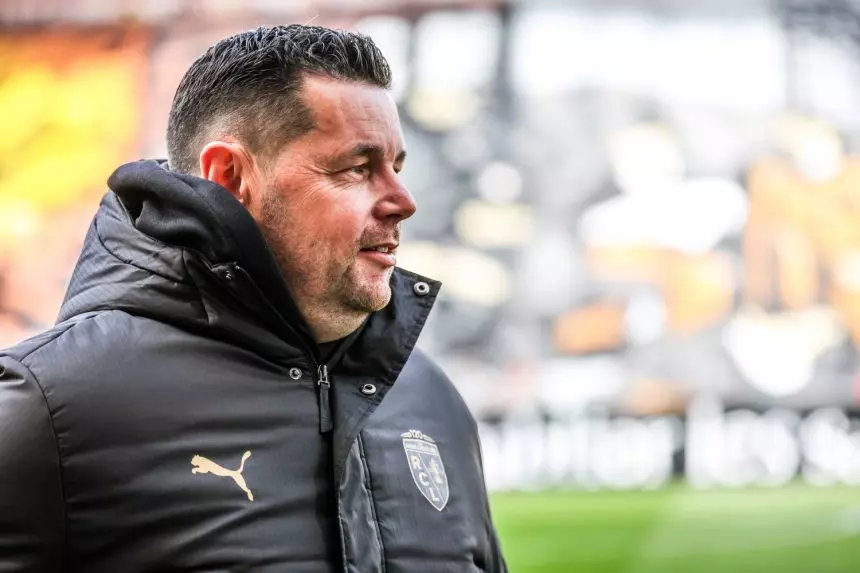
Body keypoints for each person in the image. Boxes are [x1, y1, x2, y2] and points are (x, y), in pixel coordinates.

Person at [0, 25, 506, 572]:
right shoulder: (49, 408)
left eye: (396, 169)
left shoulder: (431, 399)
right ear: (231, 176)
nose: (403, 201)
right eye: (357, 169)